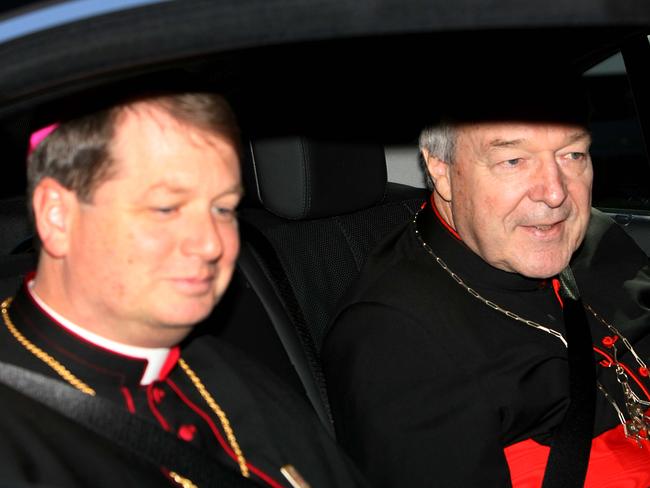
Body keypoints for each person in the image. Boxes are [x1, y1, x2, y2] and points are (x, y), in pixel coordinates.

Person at [0, 92, 366, 488]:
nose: (211, 244)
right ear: (57, 217)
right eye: (166, 208)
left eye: (223, 209)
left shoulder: (234, 375)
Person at [323, 77, 650, 487]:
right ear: (441, 171)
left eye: (572, 155)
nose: (555, 193)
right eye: (513, 161)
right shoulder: (394, 340)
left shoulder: (601, 237)